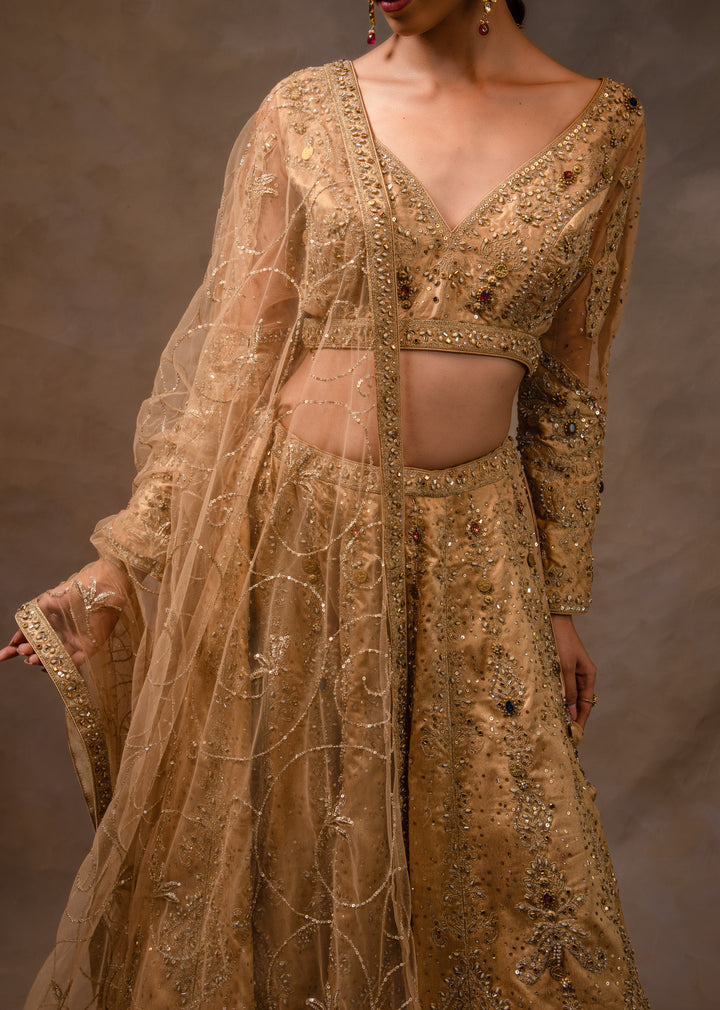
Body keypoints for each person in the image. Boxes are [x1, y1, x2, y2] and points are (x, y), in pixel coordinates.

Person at [2, 1, 649, 1007]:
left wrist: (560, 596)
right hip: (295, 533)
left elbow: (570, 386)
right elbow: (238, 353)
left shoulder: (604, 128)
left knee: (495, 870)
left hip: (475, 550)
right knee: (284, 855)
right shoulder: (305, 111)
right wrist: (125, 558)